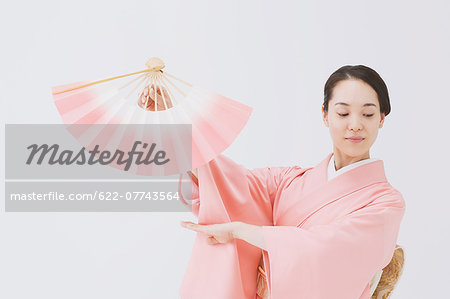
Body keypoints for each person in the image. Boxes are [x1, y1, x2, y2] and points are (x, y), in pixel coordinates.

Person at [150, 65, 406, 299]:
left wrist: (241, 231)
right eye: (343, 112)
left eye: (368, 114)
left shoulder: (386, 204)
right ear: (325, 115)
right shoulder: (289, 181)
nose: (355, 125)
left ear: (382, 119)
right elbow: (229, 184)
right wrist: (173, 120)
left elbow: (327, 250)